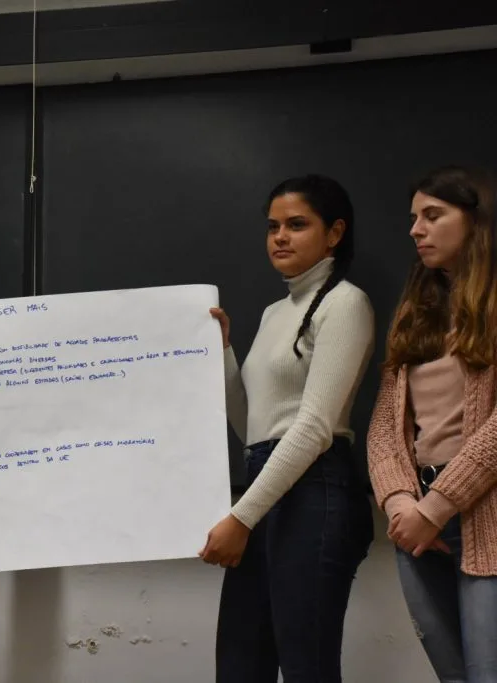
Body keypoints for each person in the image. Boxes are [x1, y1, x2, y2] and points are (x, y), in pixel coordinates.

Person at [199, 175, 376, 682]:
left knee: (307, 667)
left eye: (297, 225)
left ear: (334, 232)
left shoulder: (346, 303)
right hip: (268, 483)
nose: (280, 236)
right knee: (239, 664)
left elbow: (315, 427)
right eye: (273, 226)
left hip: (315, 488)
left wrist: (242, 517)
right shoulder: (275, 311)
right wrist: (224, 351)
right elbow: (250, 423)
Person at [367, 165, 497, 682]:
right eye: (413, 218)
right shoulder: (417, 308)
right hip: (418, 525)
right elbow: (384, 427)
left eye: (433, 216)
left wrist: (439, 505)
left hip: (480, 518)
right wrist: (402, 504)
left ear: (476, 220)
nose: (415, 229)